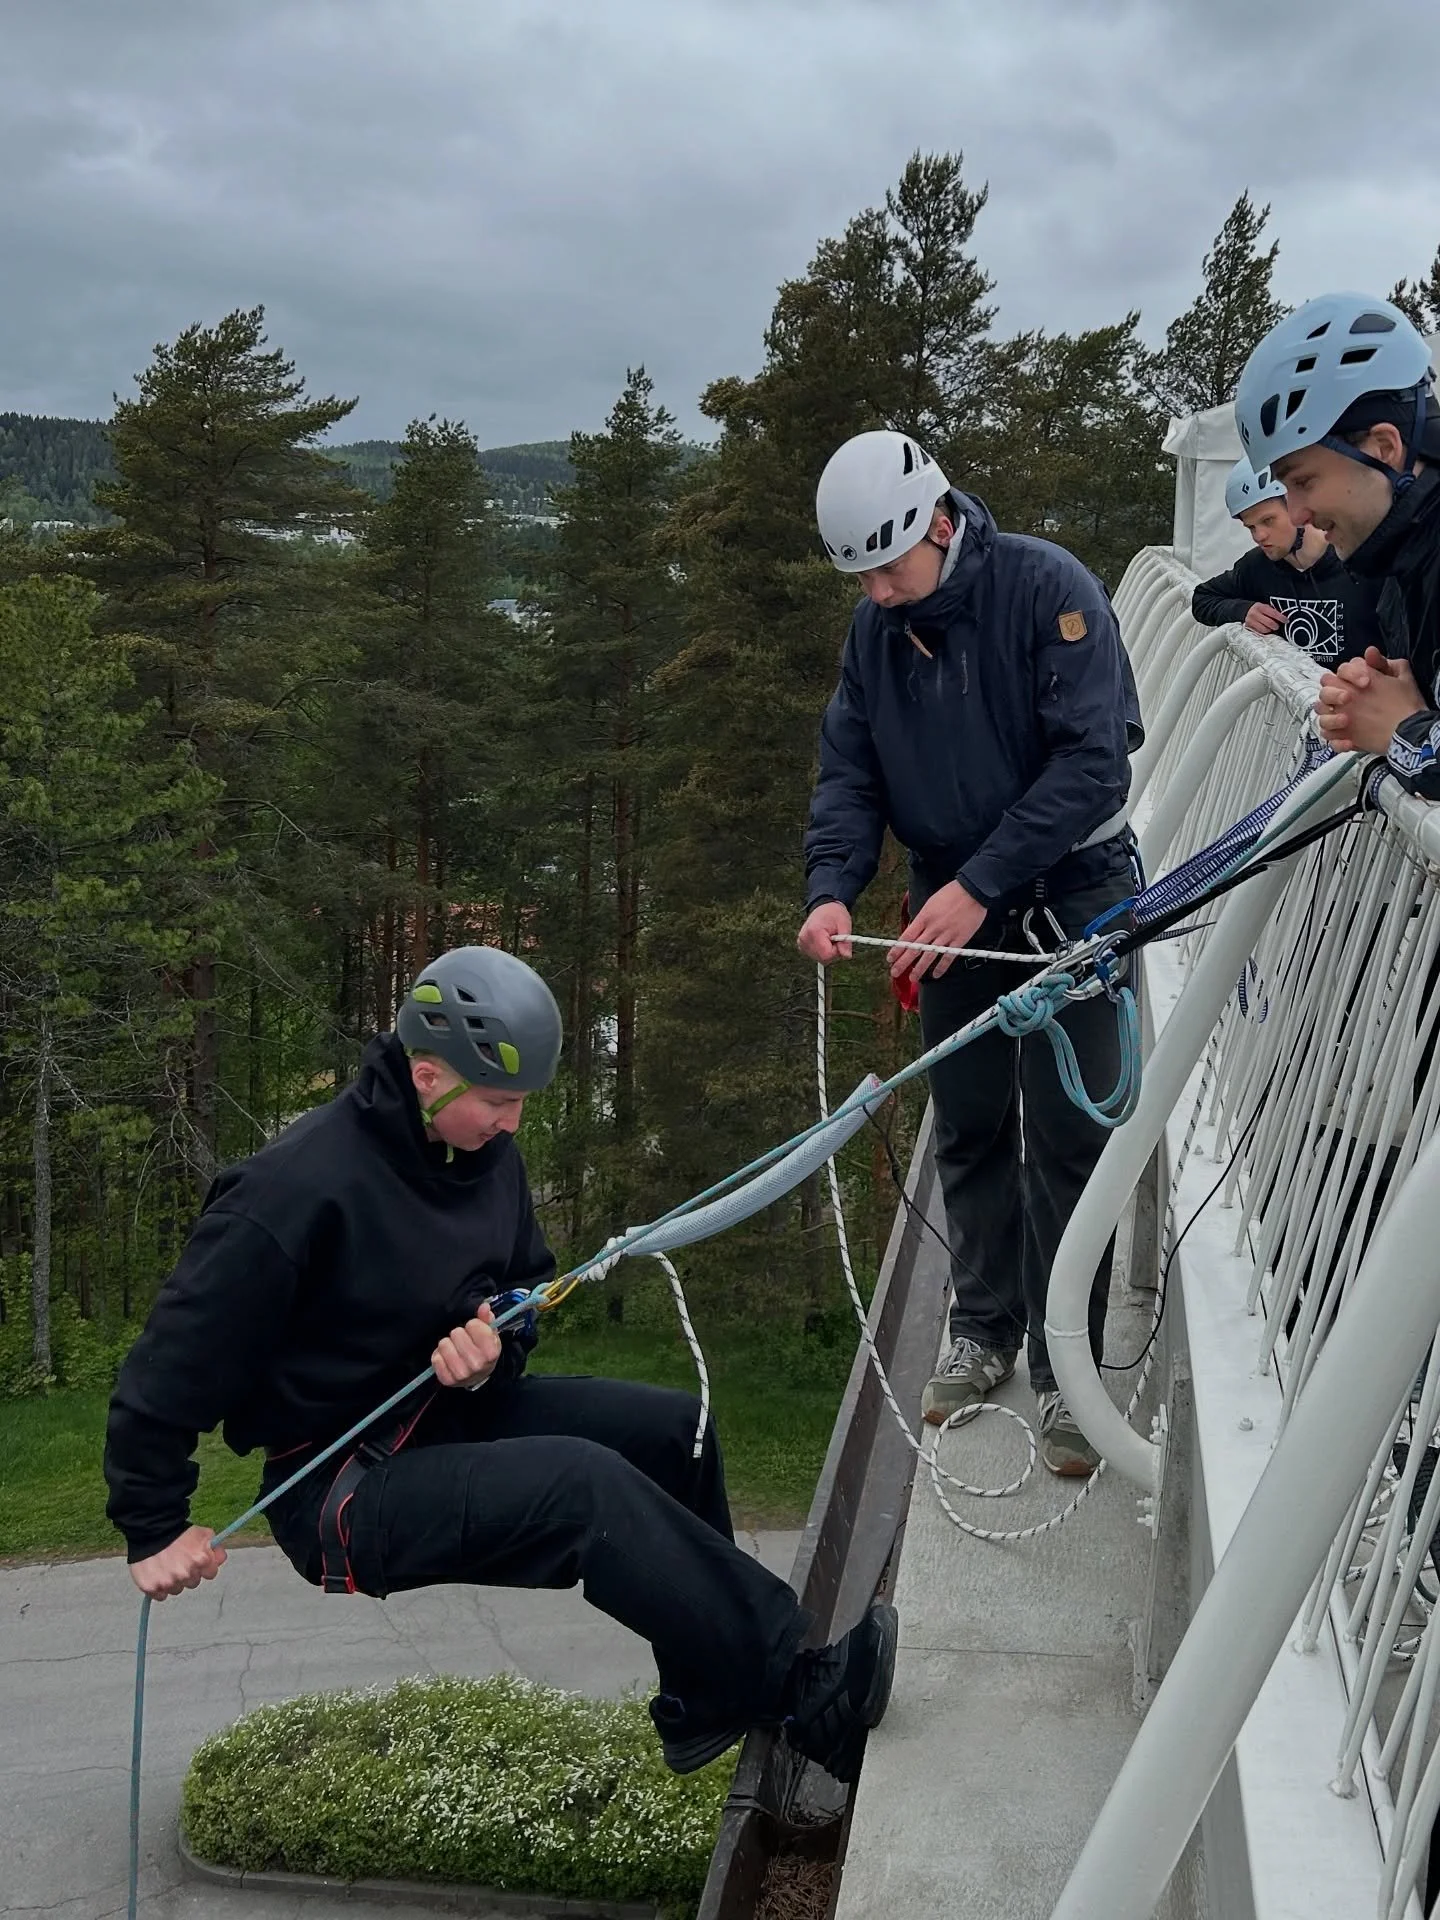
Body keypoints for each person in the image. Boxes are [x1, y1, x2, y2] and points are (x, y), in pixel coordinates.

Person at [103, 945, 896, 1782]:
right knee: (582, 1487)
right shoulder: (293, 1190)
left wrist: (491, 1348)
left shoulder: (487, 1163)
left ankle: (710, 1692)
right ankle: (805, 1694)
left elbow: (523, 1286)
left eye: (519, 1102)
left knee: (678, 1432)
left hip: (445, 1416)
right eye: (496, 1101)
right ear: (425, 1074)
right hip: (336, 1487)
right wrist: (151, 1525)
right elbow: (171, 1365)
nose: (512, 1122)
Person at [798, 429, 1143, 1476]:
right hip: (950, 904)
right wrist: (830, 888)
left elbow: (1095, 765)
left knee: (1072, 1137)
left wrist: (979, 885)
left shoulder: (1050, 592)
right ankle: (982, 1327)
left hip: (1067, 896)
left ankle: (1068, 1372)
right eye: (859, 577)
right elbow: (850, 771)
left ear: (939, 525)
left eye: (890, 568)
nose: (880, 593)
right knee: (974, 1123)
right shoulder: (876, 634)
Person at [1234, 290, 1440, 799]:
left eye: (1302, 480)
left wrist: (1402, 732)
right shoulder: (1406, 563)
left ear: (1383, 448)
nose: (1298, 513)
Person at [1191, 456, 1384, 665]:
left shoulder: (1364, 564)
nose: (1259, 536)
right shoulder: (1257, 566)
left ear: (1298, 506)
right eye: (1251, 527)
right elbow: (1202, 598)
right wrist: (1242, 610)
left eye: (1268, 520)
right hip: (1292, 694)